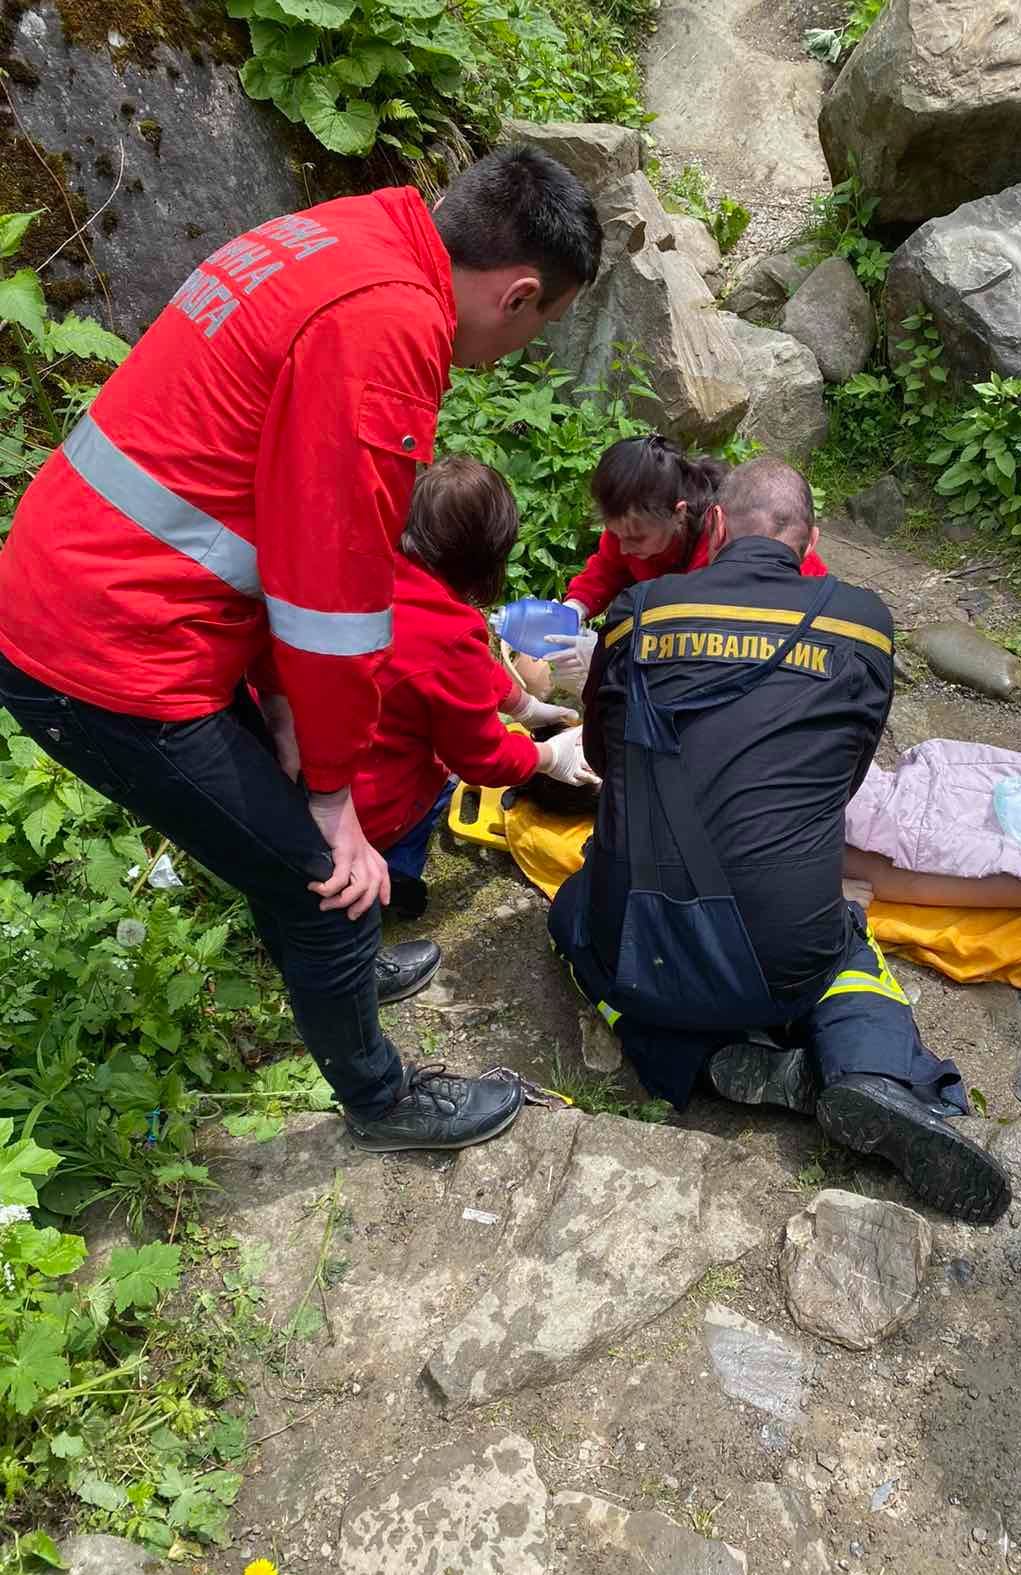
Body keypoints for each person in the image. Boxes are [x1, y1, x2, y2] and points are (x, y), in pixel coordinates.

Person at [0, 145, 601, 1155]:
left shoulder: (347, 235)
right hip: (109, 651)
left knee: (298, 850)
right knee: (328, 879)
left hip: (94, 588)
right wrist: (333, 796)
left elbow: (265, 515)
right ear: (520, 293)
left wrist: (280, 708)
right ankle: (382, 1100)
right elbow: (332, 602)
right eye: (542, 325)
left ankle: (345, 970)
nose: (521, 347)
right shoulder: (388, 329)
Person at [548, 457, 1012, 1226]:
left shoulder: (638, 612)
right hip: (781, 955)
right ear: (811, 542)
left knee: (573, 911)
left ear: (714, 525)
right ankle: (871, 1069)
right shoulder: (861, 623)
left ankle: (704, 1062)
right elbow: (843, 777)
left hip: (640, 946)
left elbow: (601, 756)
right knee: (843, 944)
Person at [352, 454, 597, 921]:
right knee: (424, 806)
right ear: (485, 561)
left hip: (309, 767)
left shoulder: (377, 568)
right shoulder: (448, 635)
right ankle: (384, 886)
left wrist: (524, 706)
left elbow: (459, 670)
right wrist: (549, 757)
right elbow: (482, 760)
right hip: (368, 804)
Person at [543, 434, 829, 693]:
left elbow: (692, 642)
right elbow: (606, 569)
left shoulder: (721, 548)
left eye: (635, 538)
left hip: (788, 632)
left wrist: (610, 653)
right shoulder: (632, 528)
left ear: (678, 513)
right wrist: (574, 608)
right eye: (615, 534)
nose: (623, 547)